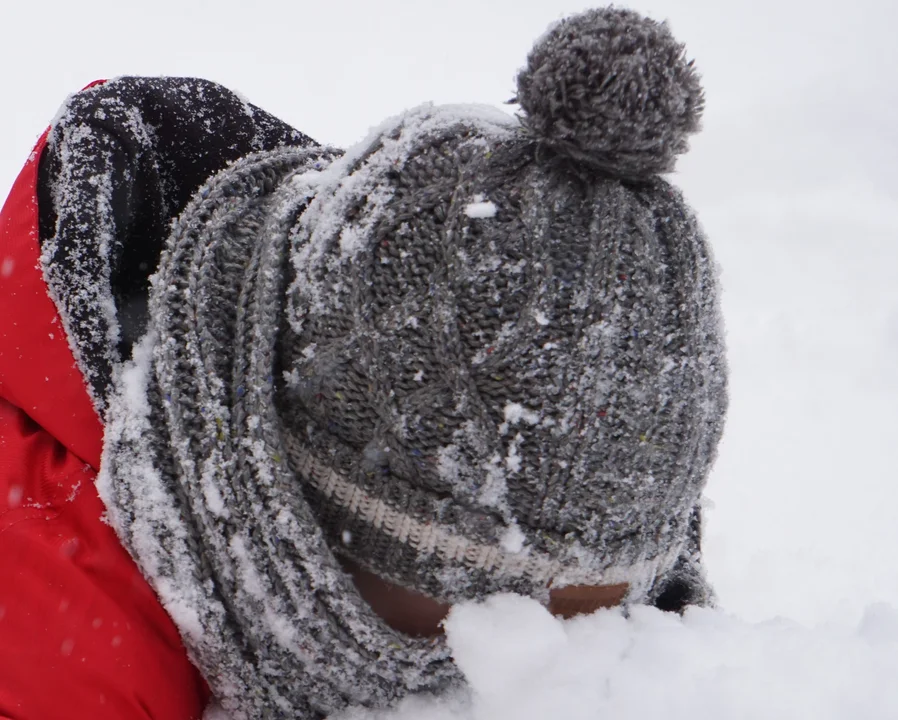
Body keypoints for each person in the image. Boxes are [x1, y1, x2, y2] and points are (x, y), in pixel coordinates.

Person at [0, 7, 727, 720]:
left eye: (609, 622)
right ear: (304, 517)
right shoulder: (51, 661)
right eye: (486, 634)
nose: (555, 683)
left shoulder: (361, 306)